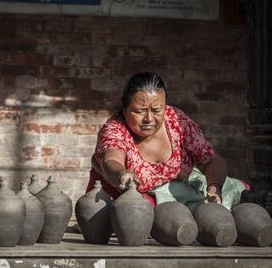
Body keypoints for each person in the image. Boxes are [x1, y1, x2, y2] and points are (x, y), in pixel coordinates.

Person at [86, 72, 247, 210]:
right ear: (124, 108)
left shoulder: (177, 121)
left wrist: (214, 187)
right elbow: (111, 160)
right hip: (134, 202)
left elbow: (211, 160)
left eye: (157, 110)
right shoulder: (115, 129)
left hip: (183, 189)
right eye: (140, 111)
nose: (149, 118)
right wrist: (122, 173)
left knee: (237, 194)